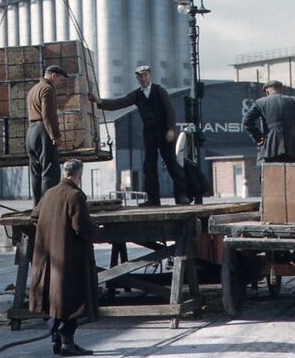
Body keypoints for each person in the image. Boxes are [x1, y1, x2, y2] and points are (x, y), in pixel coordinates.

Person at [89, 65, 188, 206]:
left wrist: (171, 129)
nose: (143, 78)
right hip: (149, 134)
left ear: (150, 76)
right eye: (140, 76)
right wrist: (99, 102)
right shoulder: (137, 95)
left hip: (164, 133)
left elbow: (170, 111)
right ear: (137, 78)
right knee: (149, 166)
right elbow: (119, 103)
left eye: (145, 75)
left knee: (172, 163)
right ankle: (153, 200)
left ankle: (182, 196)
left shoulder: (160, 91)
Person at [30, 159, 98, 356]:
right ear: (79, 175)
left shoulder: (49, 193)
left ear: (64, 173)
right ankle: (66, 341)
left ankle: (58, 338)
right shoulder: (75, 195)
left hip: (48, 256)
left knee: (53, 300)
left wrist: (50, 231)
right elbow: (82, 228)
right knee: (72, 299)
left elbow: (35, 217)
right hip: (69, 258)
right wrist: (97, 231)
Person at [243, 80, 295, 163]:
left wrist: (258, 137)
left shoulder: (260, 103)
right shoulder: (293, 101)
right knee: (293, 174)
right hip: (292, 149)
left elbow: (246, 121)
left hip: (270, 149)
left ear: (267, 91)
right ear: (280, 89)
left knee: (269, 174)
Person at [27, 65, 68, 205]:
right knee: (50, 171)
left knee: (36, 173)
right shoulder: (47, 89)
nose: (61, 84)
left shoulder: (33, 89)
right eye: (61, 80)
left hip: (31, 132)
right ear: (53, 76)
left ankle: (37, 207)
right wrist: (55, 136)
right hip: (43, 131)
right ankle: (48, 207)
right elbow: (48, 115)